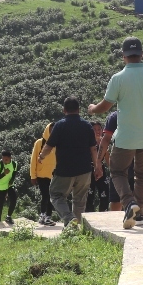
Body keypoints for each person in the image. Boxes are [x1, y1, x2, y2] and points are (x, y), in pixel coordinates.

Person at [89, 37, 143, 229]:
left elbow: (105, 106)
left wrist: (92, 109)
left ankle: (129, 203)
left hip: (126, 137)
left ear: (123, 56)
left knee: (118, 171)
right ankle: (140, 215)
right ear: (142, 54)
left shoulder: (118, 78)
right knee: (142, 175)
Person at [39, 96, 102, 227]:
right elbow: (93, 148)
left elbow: (49, 146)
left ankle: (69, 218)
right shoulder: (86, 126)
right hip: (85, 170)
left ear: (64, 110)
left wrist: (41, 157)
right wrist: (97, 166)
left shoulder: (60, 125)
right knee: (80, 200)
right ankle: (76, 228)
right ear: (79, 110)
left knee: (55, 195)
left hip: (65, 170)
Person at [98, 111, 134, 212]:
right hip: (140, 155)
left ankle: (127, 210)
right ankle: (138, 215)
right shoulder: (142, 113)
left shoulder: (115, 116)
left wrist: (98, 161)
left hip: (120, 157)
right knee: (137, 191)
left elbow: (106, 139)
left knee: (116, 199)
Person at [30, 123, 57, 226]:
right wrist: (33, 176)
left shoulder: (57, 143)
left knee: (51, 196)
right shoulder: (39, 143)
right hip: (41, 175)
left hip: (53, 175)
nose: (52, 131)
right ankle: (43, 216)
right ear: (47, 130)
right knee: (45, 195)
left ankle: (47, 217)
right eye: (51, 129)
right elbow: (33, 160)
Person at [87, 121, 111, 212]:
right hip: (89, 170)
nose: (97, 131)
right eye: (94, 129)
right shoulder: (87, 142)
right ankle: (89, 215)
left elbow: (107, 158)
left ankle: (103, 213)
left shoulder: (104, 142)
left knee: (105, 194)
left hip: (101, 170)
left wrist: (112, 170)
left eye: (99, 129)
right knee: (89, 195)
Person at [0, 150, 19, 225]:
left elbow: (14, 173)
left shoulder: (14, 164)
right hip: (0, 187)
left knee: (14, 200)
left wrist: (12, 180)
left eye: (6, 159)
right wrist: (4, 173)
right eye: (3, 159)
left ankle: (8, 216)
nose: (4, 161)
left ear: (10, 158)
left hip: (9, 185)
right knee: (0, 205)